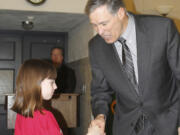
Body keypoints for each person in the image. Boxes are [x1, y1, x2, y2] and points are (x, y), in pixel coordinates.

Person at [85, 0, 180, 135]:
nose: (100, 31)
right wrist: (100, 116)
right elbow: (100, 91)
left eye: (104, 24)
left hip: (168, 124)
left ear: (121, 13)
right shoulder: (96, 47)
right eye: (94, 25)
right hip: (127, 127)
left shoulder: (162, 29)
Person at [12, 59, 63, 135]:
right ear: (36, 84)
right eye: (51, 82)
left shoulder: (22, 114)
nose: (56, 86)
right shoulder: (46, 116)